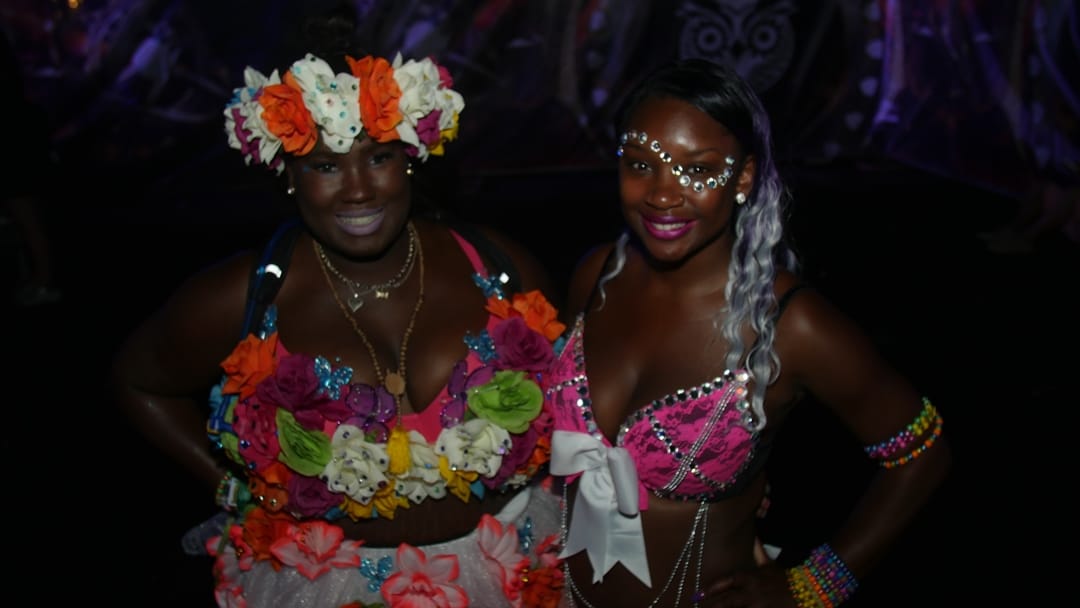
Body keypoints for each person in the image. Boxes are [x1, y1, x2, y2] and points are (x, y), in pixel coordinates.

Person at [111, 17, 569, 607]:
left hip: (514, 575)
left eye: (378, 158)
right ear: (289, 174)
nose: (358, 190)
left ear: (410, 158)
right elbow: (138, 381)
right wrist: (230, 486)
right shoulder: (244, 296)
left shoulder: (502, 268)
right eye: (326, 166)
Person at [547, 58, 952, 607]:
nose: (663, 195)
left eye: (698, 170)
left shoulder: (791, 325)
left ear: (742, 177)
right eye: (641, 165)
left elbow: (924, 452)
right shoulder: (597, 277)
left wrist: (814, 586)